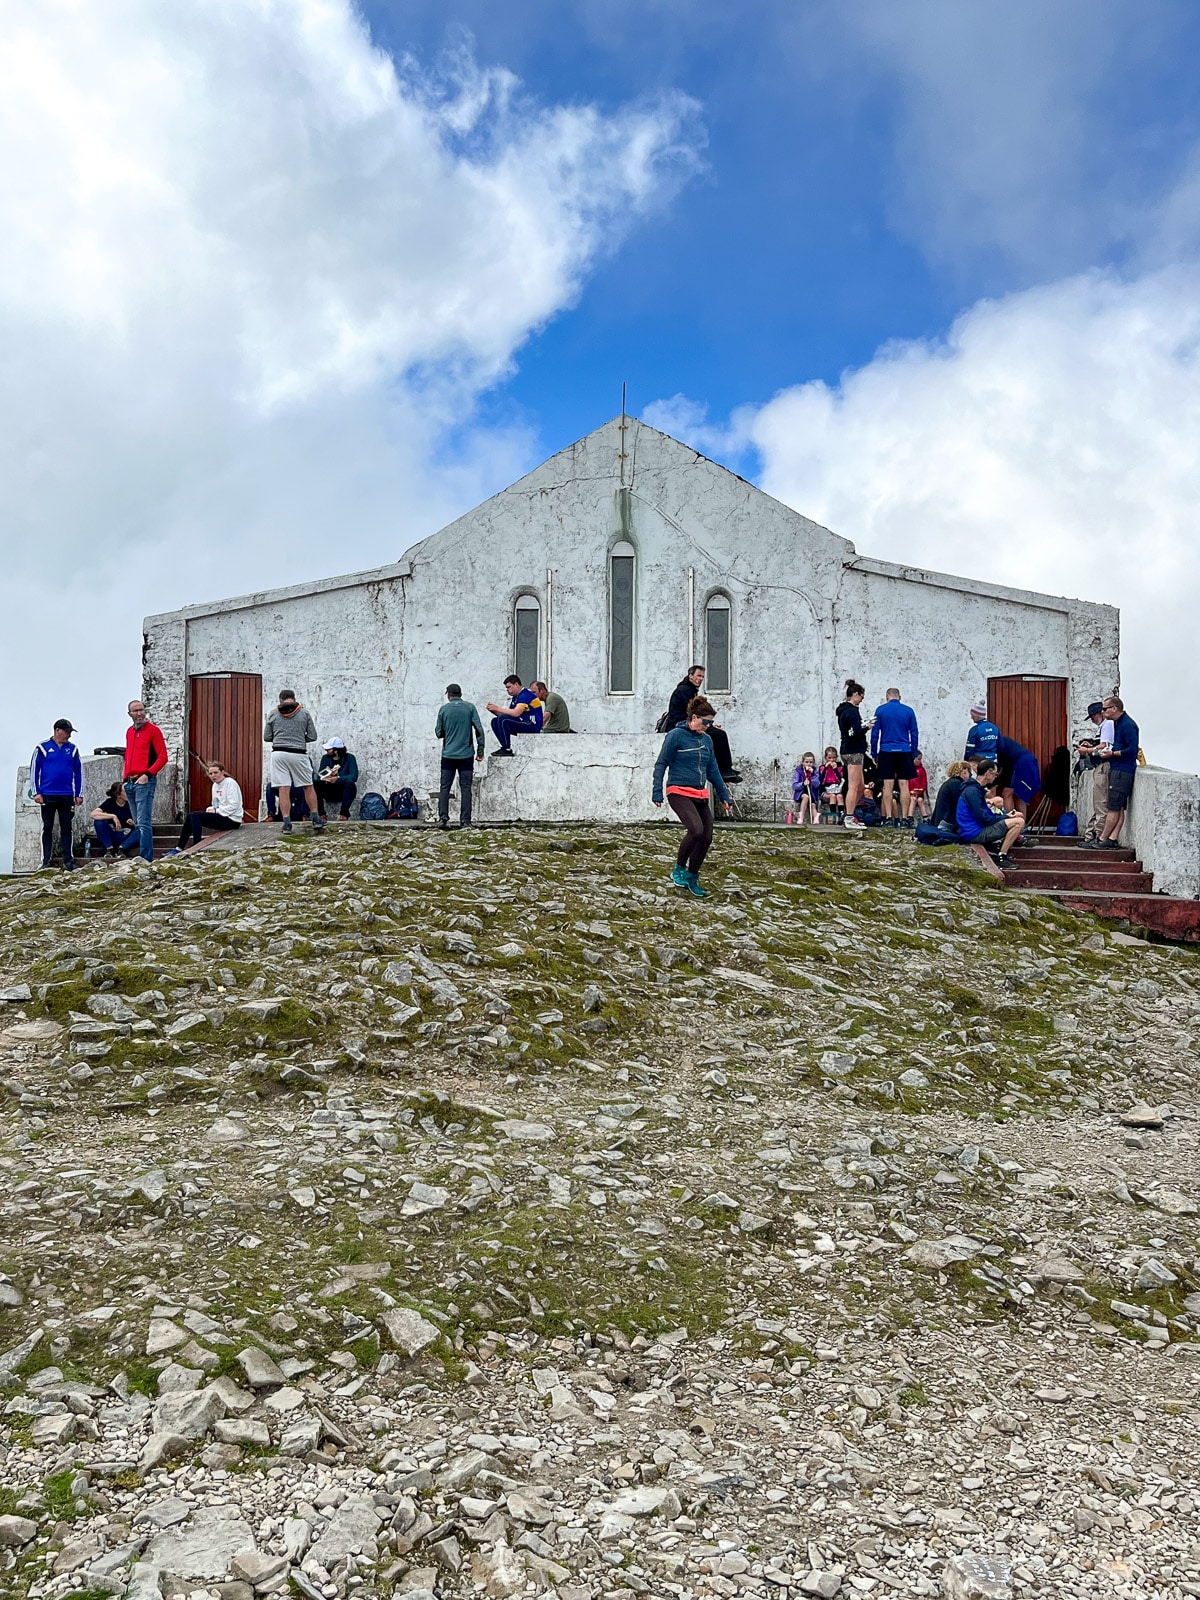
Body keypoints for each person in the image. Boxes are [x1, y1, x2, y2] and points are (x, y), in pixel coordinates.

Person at [652, 696, 733, 898]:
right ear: (694, 717)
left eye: (711, 723)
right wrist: (657, 790)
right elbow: (661, 763)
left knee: (707, 837)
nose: (708, 726)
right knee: (696, 830)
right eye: (705, 722)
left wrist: (724, 796)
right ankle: (679, 868)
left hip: (699, 794)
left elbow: (713, 769)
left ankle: (692, 876)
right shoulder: (676, 735)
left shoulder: (707, 740)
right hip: (678, 791)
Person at [663, 666, 741, 781]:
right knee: (719, 735)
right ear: (690, 676)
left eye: (702, 676)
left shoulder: (689, 690)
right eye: (698, 676)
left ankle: (725, 768)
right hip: (681, 725)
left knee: (716, 734)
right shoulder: (684, 690)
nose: (701, 679)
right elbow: (693, 712)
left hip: (688, 722)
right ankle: (724, 770)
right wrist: (707, 724)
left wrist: (708, 724)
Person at [1084, 694, 1140, 849]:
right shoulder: (1118, 723)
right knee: (1118, 806)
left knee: (1113, 807)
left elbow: (1132, 749)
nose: (1103, 712)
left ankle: (1103, 839)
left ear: (1114, 708)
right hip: (1118, 768)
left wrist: (1113, 754)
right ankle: (1112, 838)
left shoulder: (1127, 725)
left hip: (1122, 770)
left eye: (1105, 708)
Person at [263, 689, 323, 833]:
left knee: (283, 788)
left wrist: (281, 737)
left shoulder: (273, 713)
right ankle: (315, 818)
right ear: (294, 698)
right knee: (308, 786)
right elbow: (313, 736)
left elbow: (267, 737)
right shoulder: (304, 713)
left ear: (280, 699)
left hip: (279, 754)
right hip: (299, 753)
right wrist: (299, 739)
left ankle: (287, 823)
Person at [31, 718, 83, 871]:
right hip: (47, 794)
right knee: (48, 827)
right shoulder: (42, 747)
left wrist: (78, 793)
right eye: (67, 732)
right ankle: (46, 860)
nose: (69, 736)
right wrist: (36, 792)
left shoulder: (72, 749)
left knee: (66, 827)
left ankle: (69, 860)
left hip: (66, 794)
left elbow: (78, 772)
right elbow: (34, 770)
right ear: (57, 731)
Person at [956, 758, 1024, 866]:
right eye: (995, 774)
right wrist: (1005, 817)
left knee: (1016, 817)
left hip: (974, 829)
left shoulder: (975, 789)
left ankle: (998, 847)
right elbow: (984, 818)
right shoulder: (973, 791)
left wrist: (1005, 816)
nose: (995, 777)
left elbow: (985, 815)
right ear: (988, 774)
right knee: (1018, 822)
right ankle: (1001, 856)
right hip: (974, 832)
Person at [124, 699, 169, 862]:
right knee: (137, 823)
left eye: (141, 710)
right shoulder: (129, 732)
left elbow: (163, 757)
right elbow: (128, 755)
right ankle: (143, 857)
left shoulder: (153, 731)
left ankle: (146, 858)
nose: (139, 713)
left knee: (143, 822)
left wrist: (147, 775)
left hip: (145, 781)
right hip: (130, 782)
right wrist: (124, 779)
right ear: (129, 714)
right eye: (135, 711)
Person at [434, 683, 485, 829]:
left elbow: (438, 732)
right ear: (460, 694)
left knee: (445, 787)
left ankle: (443, 818)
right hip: (466, 755)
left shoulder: (444, 709)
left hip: (448, 754)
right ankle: (466, 821)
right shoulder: (470, 708)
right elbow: (479, 731)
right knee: (466, 788)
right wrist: (480, 751)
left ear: (449, 695)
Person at [870, 687, 919, 826]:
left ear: (887, 697)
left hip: (886, 750)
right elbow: (914, 733)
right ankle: (904, 819)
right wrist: (913, 752)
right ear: (900, 697)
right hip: (904, 750)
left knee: (888, 786)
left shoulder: (880, 710)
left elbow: (875, 734)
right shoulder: (908, 711)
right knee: (904, 785)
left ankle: (888, 818)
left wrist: (874, 753)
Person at [175, 762, 243, 850]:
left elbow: (234, 805)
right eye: (210, 773)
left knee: (196, 816)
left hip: (232, 820)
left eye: (216, 773)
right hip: (222, 815)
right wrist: (211, 809)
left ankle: (197, 846)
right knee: (191, 816)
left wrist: (216, 811)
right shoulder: (215, 785)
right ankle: (179, 847)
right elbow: (215, 804)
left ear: (222, 772)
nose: (213, 776)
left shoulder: (230, 783)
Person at [1076, 700, 1114, 842]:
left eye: (1093, 716)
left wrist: (1088, 750)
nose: (1092, 720)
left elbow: (1105, 746)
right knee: (1098, 802)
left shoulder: (1108, 725)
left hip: (1104, 766)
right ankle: (1092, 834)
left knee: (1101, 802)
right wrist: (1091, 744)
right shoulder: (1103, 726)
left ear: (1100, 714)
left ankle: (1099, 836)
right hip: (1099, 766)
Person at [836, 680, 868, 821]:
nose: (862, 700)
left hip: (846, 749)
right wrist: (867, 727)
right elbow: (856, 732)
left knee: (861, 787)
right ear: (855, 695)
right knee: (853, 786)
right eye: (861, 696)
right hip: (854, 750)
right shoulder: (852, 711)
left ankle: (848, 813)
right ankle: (849, 817)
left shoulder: (843, 711)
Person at [486, 676, 543, 754]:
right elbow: (510, 715)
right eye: (506, 688)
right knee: (495, 721)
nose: (508, 690)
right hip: (523, 722)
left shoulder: (525, 695)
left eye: (509, 687)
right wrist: (494, 710)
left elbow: (516, 713)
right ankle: (504, 747)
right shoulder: (516, 697)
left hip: (532, 725)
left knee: (503, 719)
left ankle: (507, 749)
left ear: (516, 684)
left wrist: (498, 708)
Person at [995, 734, 1041, 819]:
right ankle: (1020, 825)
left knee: (1007, 794)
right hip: (1025, 762)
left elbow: (1000, 769)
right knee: (1020, 795)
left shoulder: (997, 744)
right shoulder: (1001, 741)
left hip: (1022, 764)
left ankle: (1013, 823)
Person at [90, 781, 140, 859]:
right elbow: (93, 814)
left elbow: (141, 822)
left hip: (126, 837)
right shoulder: (110, 802)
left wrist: (134, 823)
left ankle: (121, 849)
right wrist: (113, 816)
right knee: (99, 822)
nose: (129, 792)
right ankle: (110, 850)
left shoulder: (132, 803)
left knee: (141, 829)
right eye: (125, 790)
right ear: (118, 794)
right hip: (112, 836)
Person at [315, 738, 359, 820]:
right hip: (328, 789)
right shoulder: (325, 758)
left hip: (342, 790)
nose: (327, 750)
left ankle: (344, 813)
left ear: (336, 750)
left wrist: (338, 778)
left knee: (350, 785)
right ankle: (321, 814)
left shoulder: (350, 758)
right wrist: (327, 777)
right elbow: (320, 775)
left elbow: (354, 776)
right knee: (316, 784)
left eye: (329, 749)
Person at [930, 761, 970, 835]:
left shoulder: (950, 783)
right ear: (964, 772)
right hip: (946, 820)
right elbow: (961, 803)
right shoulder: (956, 784)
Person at [791, 752, 820, 825]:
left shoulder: (815, 771)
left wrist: (812, 777)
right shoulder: (799, 771)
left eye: (811, 762)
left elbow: (817, 784)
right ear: (803, 762)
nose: (809, 764)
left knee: (813, 804)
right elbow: (795, 786)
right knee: (806, 797)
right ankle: (801, 817)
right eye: (806, 762)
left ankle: (816, 818)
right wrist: (803, 784)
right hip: (802, 792)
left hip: (812, 793)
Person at [818, 747, 844, 823]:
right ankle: (833, 816)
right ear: (825, 758)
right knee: (832, 796)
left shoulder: (839, 767)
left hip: (837, 790)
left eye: (834, 758)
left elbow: (840, 780)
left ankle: (841, 816)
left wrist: (835, 769)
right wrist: (826, 768)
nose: (831, 760)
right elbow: (821, 781)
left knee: (840, 796)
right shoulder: (822, 768)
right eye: (829, 758)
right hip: (826, 792)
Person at [907, 752, 930, 821]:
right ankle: (909, 818)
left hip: (919, 793)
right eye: (918, 759)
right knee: (913, 799)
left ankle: (925, 818)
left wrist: (921, 789)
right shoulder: (908, 770)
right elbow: (905, 783)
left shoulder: (922, 770)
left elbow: (924, 782)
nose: (919, 761)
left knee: (920, 800)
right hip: (910, 793)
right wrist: (910, 791)